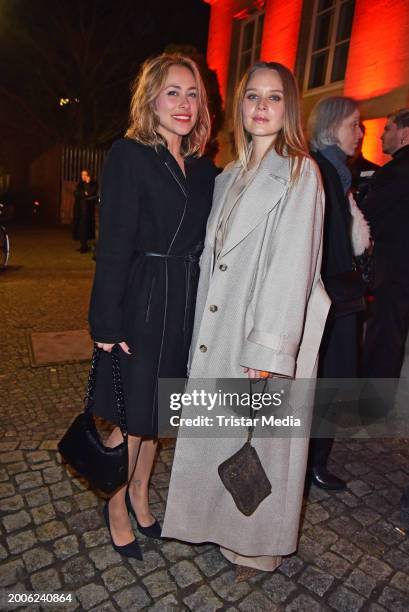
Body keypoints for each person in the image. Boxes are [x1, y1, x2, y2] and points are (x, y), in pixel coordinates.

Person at [162, 61, 330, 578]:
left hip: (261, 327)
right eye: (252, 96)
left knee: (262, 445)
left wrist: (270, 349)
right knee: (225, 436)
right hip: (221, 324)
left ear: (289, 108)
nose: (261, 106)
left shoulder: (300, 172)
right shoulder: (229, 175)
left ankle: (258, 545)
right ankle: (219, 528)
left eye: (274, 98)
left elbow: (292, 266)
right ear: (239, 107)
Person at [88, 54, 217, 559]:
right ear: (151, 100)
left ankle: (142, 491)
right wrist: (105, 318)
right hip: (142, 296)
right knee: (131, 413)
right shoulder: (130, 154)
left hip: (185, 300)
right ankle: (117, 502)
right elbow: (114, 241)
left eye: (192, 94)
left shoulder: (206, 168)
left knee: (160, 412)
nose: (183, 104)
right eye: (172, 93)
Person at [307, 97, 371, 490]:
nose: (361, 133)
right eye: (354, 124)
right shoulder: (323, 170)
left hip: (335, 295)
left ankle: (314, 461)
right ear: (332, 127)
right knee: (324, 381)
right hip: (330, 295)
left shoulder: (337, 171)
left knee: (328, 381)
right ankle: (310, 462)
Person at [361, 108, 409, 380]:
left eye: (388, 128)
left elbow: (366, 218)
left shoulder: (392, 173)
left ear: (404, 133)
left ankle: (370, 406)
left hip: (393, 269)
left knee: (384, 337)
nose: (381, 135)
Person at [72, 169, 98, 253]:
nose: (83, 176)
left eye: (85, 175)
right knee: (80, 227)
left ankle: (85, 246)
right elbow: (75, 193)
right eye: (82, 175)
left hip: (87, 210)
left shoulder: (93, 184)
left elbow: (90, 193)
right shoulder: (80, 184)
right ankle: (83, 245)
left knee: (85, 227)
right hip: (79, 209)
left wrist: (86, 187)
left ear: (88, 175)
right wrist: (84, 193)